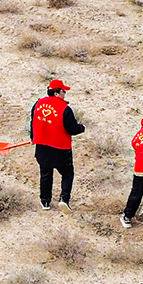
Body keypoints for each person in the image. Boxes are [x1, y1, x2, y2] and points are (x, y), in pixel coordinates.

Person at [30, 80, 85, 210]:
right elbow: (72, 129)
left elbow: (33, 122)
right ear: (56, 93)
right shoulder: (65, 109)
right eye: (63, 91)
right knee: (67, 173)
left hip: (42, 146)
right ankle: (64, 199)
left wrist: (33, 137)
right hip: (60, 148)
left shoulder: (37, 104)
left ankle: (45, 202)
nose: (65, 93)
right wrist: (82, 128)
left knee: (45, 173)